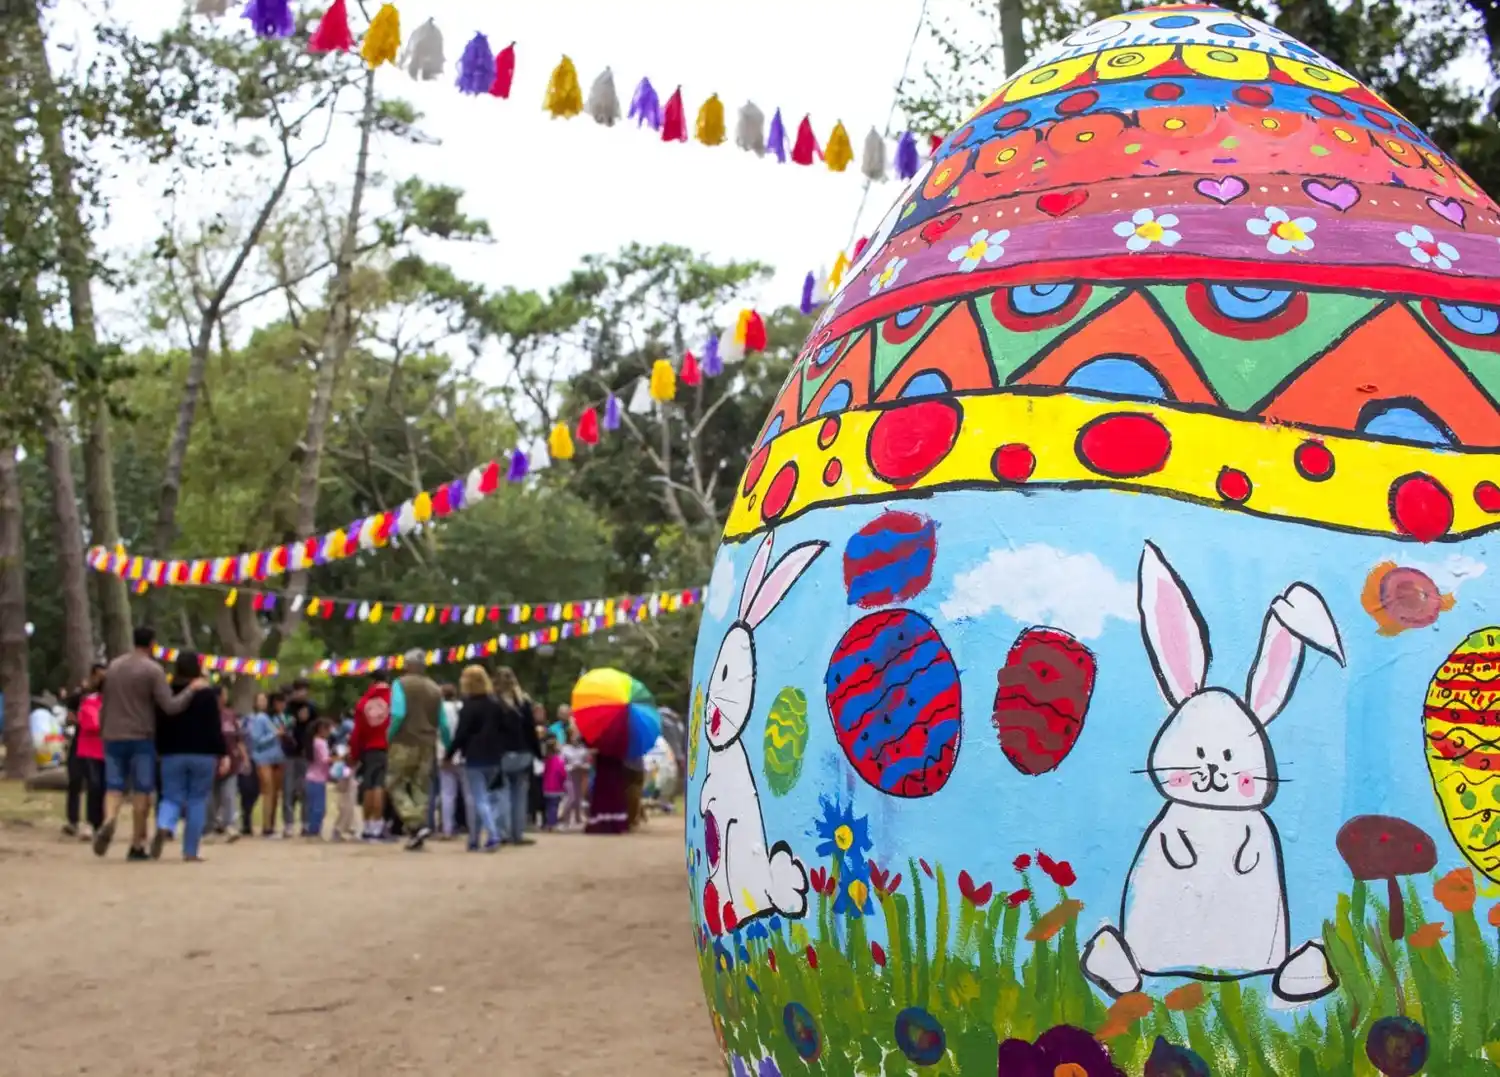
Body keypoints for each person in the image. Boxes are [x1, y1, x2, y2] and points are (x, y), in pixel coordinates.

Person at [94, 626, 206, 860]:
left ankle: (109, 818)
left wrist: (104, 730)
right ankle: (137, 844)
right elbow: (170, 706)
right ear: (152, 644)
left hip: (113, 734)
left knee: (113, 786)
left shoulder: (113, 666)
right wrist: (191, 690)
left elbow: (106, 702)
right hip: (141, 736)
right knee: (142, 790)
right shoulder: (153, 670)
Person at [152, 652, 227, 862]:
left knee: (171, 796)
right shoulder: (207, 695)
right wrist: (222, 753)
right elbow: (215, 726)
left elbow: (160, 722)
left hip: (172, 752)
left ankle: (165, 824)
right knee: (197, 800)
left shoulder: (167, 692)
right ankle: (190, 850)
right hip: (203, 754)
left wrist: (159, 748)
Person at [387, 650, 442, 850]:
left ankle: (413, 821)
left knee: (395, 783)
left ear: (407, 665)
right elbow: (442, 721)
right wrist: (446, 743)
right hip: (428, 743)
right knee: (421, 787)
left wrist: (389, 735)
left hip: (404, 741)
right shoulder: (435, 689)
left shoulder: (400, 684)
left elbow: (398, 714)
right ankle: (418, 829)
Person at [448, 665, 504, 851]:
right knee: (490, 799)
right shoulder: (496, 704)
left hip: (474, 756)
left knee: (478, 799)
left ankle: (492, 835)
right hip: (495, 756)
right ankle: (474, 839)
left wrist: (449, 754)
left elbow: (460, 734)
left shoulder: (468, 707)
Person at [493, 667, 542, 846]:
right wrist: (537, 753)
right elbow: (531, 731)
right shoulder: (524, 702)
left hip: (502, 753)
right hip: (523, 753)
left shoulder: (494, 702)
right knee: (520, 795)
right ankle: (518, 833)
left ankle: (503, 832)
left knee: (502, 793)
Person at [63, 664, 107, 839]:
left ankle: (95, 821)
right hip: (80, 742)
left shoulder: (110, 699)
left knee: (96, 784)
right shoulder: (82, 695)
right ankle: (72, 820)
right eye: (98, 676)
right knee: (75, 780)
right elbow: (69, 712)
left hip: (99, 745)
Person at [350, 672, 392, 841]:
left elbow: (357, 732)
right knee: (379, 786)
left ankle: (367, 825)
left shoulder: (363, 703)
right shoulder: (392, 699)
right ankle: (377, 825)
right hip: (385, 746)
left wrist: (354, 752)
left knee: (368, 785)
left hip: (367, 749)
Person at [247, 692, 286, 837]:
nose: (263, 703)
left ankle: (273, 824)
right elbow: (257, 740)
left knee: (276, 793)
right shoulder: (259, 719)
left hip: (277, 757)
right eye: (260, 700)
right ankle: (266, 826)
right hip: (263, 758)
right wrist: (274, 734)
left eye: (265, 700)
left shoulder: (276, 718)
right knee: (268, 792)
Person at [282, 681, 318, 838]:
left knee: (304, 789)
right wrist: (293, 721)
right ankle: (288, 824)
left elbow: (317, 728)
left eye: (304, 690)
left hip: (306, 753)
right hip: (289, 752)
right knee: (288, 789)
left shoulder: (312, 707)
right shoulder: (288, 708)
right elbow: (283, 725)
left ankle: (306, 823)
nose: (302, 694)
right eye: (299, 691)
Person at [212, 684, 246, 840]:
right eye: (224, 694)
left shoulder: (231, 715)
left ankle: (230, 825)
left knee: (230, 794)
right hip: (213, 761)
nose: (226, 697)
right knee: (213, 796)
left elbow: (239, 739)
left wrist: (245, 758)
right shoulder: (208, 716)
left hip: (232, 761)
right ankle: (210, 826)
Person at [430, 683, 461, 839]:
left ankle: (447, 828)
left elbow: (443, 729)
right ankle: (473, 826)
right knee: (469, 795)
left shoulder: (439, 710)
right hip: (463, 754)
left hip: (444, 753)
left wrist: (448, 752)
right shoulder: (460, 707)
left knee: (447, 793)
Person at [303, 717, 333, 839]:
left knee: (313, 806)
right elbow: (325, 760)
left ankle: (312, 828)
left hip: (311, 778)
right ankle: (314, 830)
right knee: (319, 807)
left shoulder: (313, 742)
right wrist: (338, 758)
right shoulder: (321, 743)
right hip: (318, 779)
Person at [559, 727, 592, 831]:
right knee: (571, 798)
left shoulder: (583, 749)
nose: (576, 736)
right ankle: (565, 820)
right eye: (573, 734)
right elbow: (561, 764)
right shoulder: (565, 749)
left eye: (577, 734)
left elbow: (588, 764)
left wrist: (583, 766)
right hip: (569, 776)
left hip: (579, 776)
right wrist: (571, 766)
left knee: (578, 799)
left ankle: (577, 820)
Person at [236, 707, 259, 837]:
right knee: (247, 790)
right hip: (244, 761)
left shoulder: (261, 721)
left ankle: (246, 818)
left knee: (255, 791)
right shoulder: (243, 722)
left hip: (259, 759)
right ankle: (246, 822)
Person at [330, 742, 358, 841]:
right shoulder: (342, 753)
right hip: (344, 785)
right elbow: (337, 774)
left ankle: (349, 828)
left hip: (351, 783)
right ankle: (339, 829)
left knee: (349, 807)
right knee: (345, 807)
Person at [540, 735, 566, 832]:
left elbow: (544, 773)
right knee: (554, 806)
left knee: (548, 806)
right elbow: (562, 773)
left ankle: (548, 823)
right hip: (556, 787)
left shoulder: (546, 760)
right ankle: (552, 823)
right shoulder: (558, 760)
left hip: (546, 787)